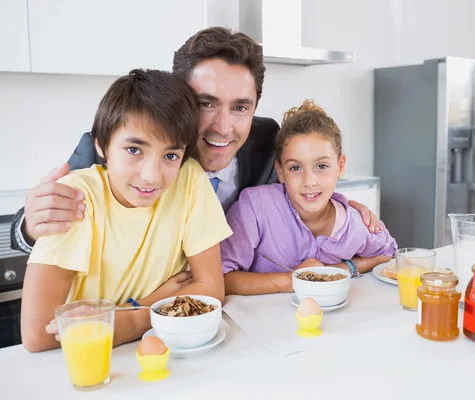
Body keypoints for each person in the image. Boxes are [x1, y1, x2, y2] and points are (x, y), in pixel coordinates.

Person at [10, 27, 382, 255]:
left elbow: (302, 180)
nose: (223, 127)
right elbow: (32, 227)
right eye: (206, 103)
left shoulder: (269, 139)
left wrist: (334, 202)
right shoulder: (128, 149)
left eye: (240, 107)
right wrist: (30, 223)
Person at [20, 69, 232, 352]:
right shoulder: (75, 197)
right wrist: (145, 308)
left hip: (163, 353)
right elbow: (38, 334)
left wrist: (127, 319)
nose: (151, 176)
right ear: (101, 144)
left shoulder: (189, 178)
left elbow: (211, 288)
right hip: (86, 363)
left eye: (170, 155)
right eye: (134, 150)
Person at [221, 100, 398, 295]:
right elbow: (221, 278)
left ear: (340, 166)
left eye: (321, 166)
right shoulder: (255, 208)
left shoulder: (355, 224)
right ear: (280, 171)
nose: (309, 181)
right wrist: (296, 280)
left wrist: (342, 269)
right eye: (295, 168)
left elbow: (388, 255)